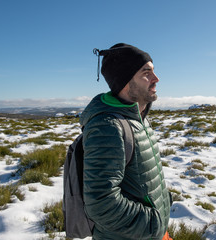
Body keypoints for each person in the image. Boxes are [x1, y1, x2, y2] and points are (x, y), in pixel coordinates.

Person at [79, 43, 172, 240]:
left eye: (153, 71)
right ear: (126, 82)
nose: (156, 79)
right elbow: (101, 202)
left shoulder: (138, 118)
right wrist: (153, 224)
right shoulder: (107, 126)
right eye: (146, 73)